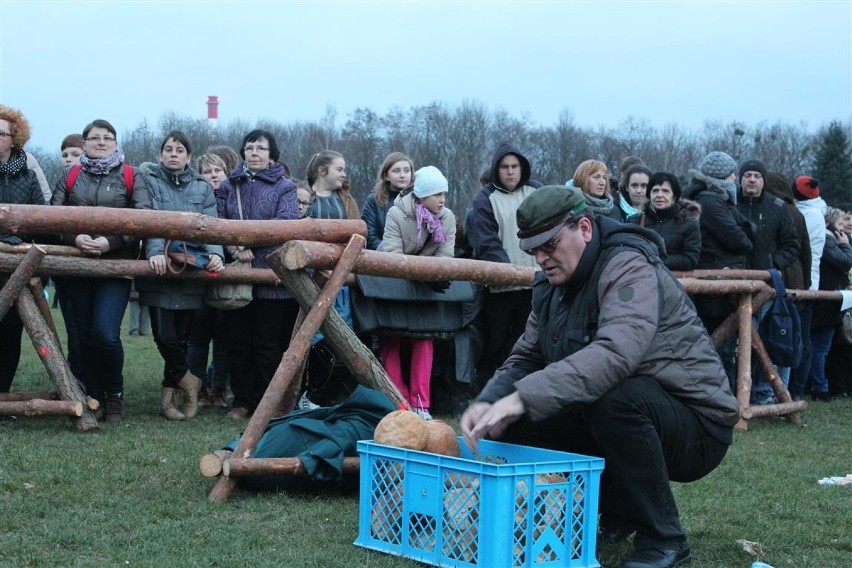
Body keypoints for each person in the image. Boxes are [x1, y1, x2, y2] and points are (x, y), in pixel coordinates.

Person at [461, 185, 739, 568]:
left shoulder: (629, 266)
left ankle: (665, 539)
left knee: (615, 399)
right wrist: (490, 401)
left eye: (550, 245)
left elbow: (616, 353)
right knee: (515, 415)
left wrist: (525, 395)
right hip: (628, 411)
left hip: (696, 426)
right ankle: (611, 512)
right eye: (533, 251)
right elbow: (528, 355)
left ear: (585, 228)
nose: (541, 259)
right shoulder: (549, 284)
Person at [50, 119, 152, 422]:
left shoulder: (133, 176)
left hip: (114, 266)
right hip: (77, 266)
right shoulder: (70, 176)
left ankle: (114, 394)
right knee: (84, 336)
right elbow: (52, 218)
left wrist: (112, 242)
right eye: (95, 138)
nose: (102, 142)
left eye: (108, 138)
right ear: (85, 143)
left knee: (106, 334)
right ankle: (93, 396)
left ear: (116, 143)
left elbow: (144, 218)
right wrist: (74, 238)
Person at [137, 132, 224, 420]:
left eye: (180, 150)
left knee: (183, 337)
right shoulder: (147, 180)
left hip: (191, 268)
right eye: (168, 149)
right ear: (160, 154)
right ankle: (189, 381)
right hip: (159, 268)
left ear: (189, 156)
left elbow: (211, 224)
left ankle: (167, 401)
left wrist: (217, 254)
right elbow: (145, 217)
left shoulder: (202, 188)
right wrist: (153, 251)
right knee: (164, 336)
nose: (174, 154)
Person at [216, 129, 299, 419]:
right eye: (249, 147)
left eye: (261, 148)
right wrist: (236, 248)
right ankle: (241, 400)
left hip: (272, 277)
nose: (254, 152)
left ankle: (270, 403)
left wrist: (248, 242)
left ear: (271, 154)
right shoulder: (229, 185)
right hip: (239, 272)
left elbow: (286, 224)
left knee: (267, 343)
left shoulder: (285, 187)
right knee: (238, 342)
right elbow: (218, 221)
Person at [378, 166, 456, 420]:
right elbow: (391, 255)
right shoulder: (397, 214)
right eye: (436, 194)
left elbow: (446, 256)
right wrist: (424, 273)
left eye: (444, 193)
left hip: (425, 287)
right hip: (394, 284)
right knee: (391, 338)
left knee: (425, 338)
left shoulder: (447, 218)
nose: (442, 199)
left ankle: (421, 403)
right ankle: (397, 402)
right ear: (421, 195)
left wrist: (437, 276)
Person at [468, 141, 540, 391]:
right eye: (505, 167)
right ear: (496, 170)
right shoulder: (484, 198)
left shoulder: (536, 192)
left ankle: (520, 390)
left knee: (526, 341)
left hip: (534, 284)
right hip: (499, 287)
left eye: (515, 166)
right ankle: (486, 391)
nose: (510, 171)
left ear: (522, 168)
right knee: (494, 343)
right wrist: (508, 272)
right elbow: (486, 241)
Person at [735, 159, 800, 404]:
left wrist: (773, 266)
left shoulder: (778, 208)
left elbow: (791, 244)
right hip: (733, 286)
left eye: (757, 176)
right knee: (734, 341)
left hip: (766, 289)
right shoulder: (731, 205)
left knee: (762, 343)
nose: (752, 180)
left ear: (764, 180)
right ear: (740, 179)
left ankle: (761, 393)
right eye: (748, 175)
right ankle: (735, 391)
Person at [0, 105, 47, 396]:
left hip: (18, 266)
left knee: (10, 334)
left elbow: (42, 218)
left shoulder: (28, 176)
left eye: (1, 133)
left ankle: (3, 397)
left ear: (14, 139)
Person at [187, 152, 231, 409]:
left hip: (227, 276)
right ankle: (198, 388)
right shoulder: (194, 199)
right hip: (198, 274)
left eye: (218, 170)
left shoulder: (232, 199)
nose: (213, 175)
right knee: (198, 336)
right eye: (207, 171)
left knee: (224, 337)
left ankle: (219, 388)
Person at [788, 175, 827, 400]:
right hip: (805, 280)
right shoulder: (812, 212)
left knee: (802, 338)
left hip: (805, 283)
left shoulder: (809, 215)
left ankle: (798, 388)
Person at [809, 207, 852, 401]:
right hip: (829, 301)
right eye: (843, 220)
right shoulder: (829, 241)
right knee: (823, 346)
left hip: (833, 299)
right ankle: (821, 386)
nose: (846, 225)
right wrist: (845, 245)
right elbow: (845, 262)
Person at [627, 172, 701, 271]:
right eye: (655, 191)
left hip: (673, 281)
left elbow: (690, 259)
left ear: (674, 196)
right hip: (641, 279)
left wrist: (656, 260)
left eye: (665, 191)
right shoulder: (634, 221)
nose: (659, 195)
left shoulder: (689, 224)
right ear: (649, 194)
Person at [362, 152, 414, 250]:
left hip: (416, 259)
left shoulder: (419, 198)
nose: (402, 175)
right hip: (383, 257)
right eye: (396, 171)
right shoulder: (374, 200)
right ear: (386, 175)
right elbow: (370, 235)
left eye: (407, 171)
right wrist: (391, 253)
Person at [305, 150, 360, 220]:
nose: (344, 175)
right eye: (339, 170)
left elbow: (357, 227)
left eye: (343, 170)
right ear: (322, 171)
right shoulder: (302, 196)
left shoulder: (347, 200)